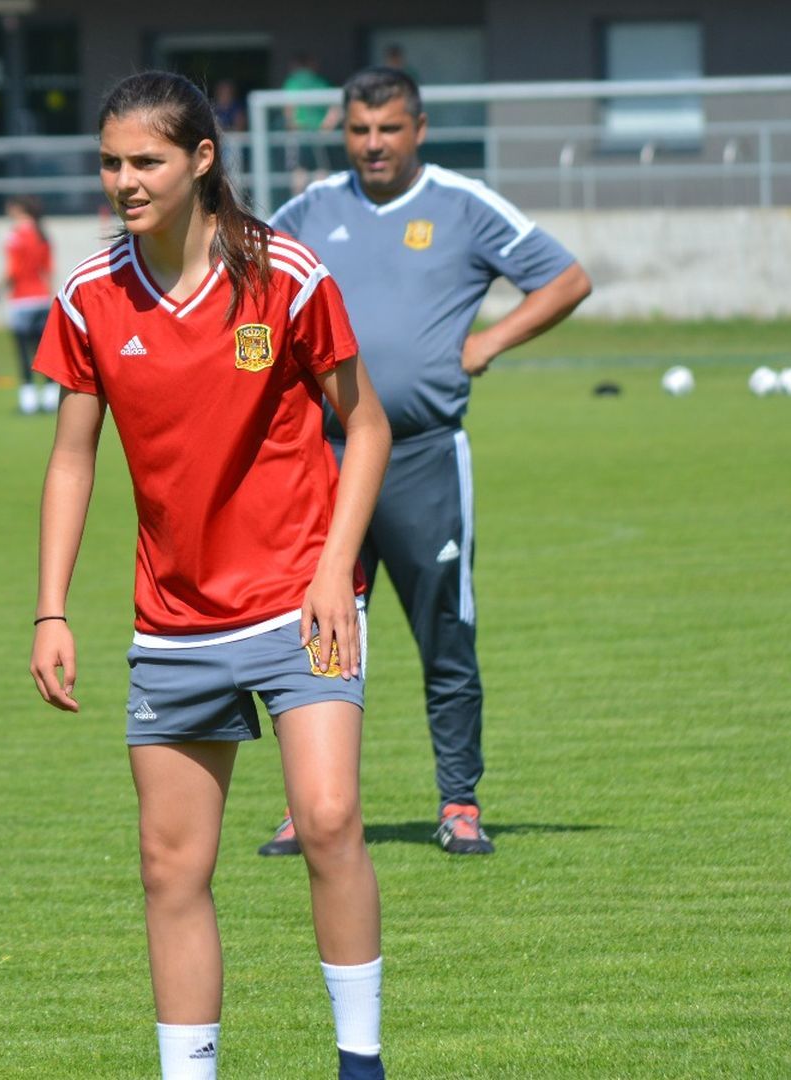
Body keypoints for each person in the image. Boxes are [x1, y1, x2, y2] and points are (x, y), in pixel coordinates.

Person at [30, 71, 393, 1080]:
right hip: (174, 623)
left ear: (201, 161)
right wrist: (51, 610)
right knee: (170, 870)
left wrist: (334, 570)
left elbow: (367, 429)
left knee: (327, 820)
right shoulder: (89, 296)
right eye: (109, 162)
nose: (124, 180)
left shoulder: (285, 273)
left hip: (298, 599)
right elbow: (73, 457)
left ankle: (359, 1065)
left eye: (145, 160)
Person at [260, 66, 593, 857]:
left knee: (445, 631)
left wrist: (486, 343)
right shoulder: (306, 211)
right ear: (343, 132)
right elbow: (251, 298)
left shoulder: (461, 203)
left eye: (389, 129)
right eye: (359, 130)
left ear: (418, 128)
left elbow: (567, 278)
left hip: (422, 458)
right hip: (326, 459)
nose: (373, 144)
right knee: (320, 636)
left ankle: (459, 801)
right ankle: (314, 806)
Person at [0, 195, 59, 415]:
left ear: (19, 210)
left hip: (21, 300)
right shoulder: (42, 235)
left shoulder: (15, 236)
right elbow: (48, 270)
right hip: (41, 299)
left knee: (23, 352)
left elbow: (12, 269)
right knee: (44, 351)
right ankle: (50, 399)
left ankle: (28, 401)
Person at [280, 53, 340, 194]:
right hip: (319, 134)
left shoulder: (292, 82)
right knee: (320, 170)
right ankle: (320, 204)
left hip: (300, 132)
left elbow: (288, 108)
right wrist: (327, 126)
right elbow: (336, 107)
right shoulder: (320, 81)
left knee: (299, 171)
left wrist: (291, 125)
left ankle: (298, 205)